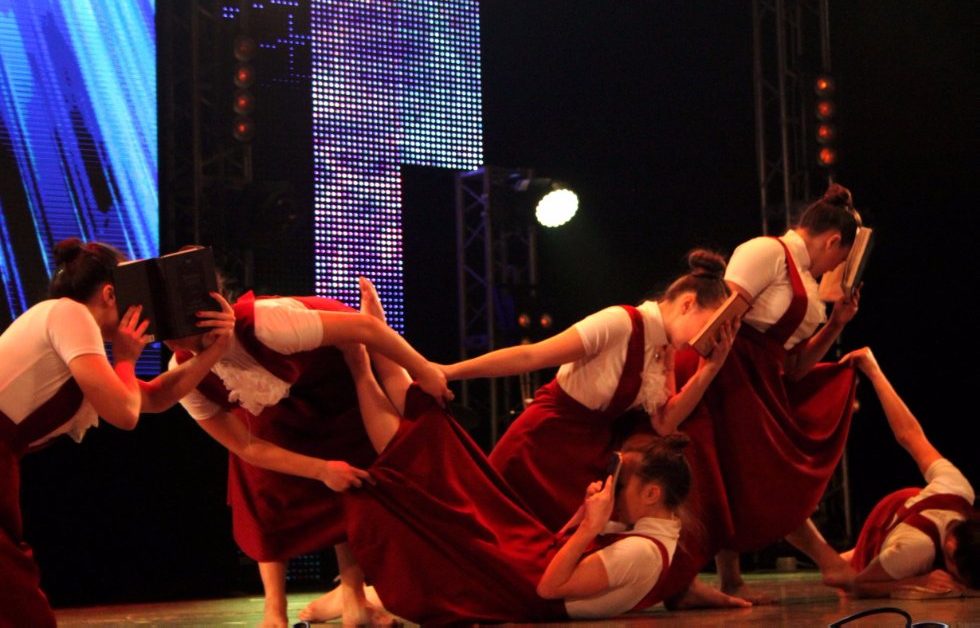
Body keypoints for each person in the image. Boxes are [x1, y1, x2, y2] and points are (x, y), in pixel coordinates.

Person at [334, 280, 698, 623]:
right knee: (437, 455)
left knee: (430, 471)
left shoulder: (644, 552)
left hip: (523, 575)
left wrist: (589, 526)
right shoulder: (649, 539)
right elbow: (530, 355)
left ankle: (364, 358)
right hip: (539, 476)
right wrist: (586, 517)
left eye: (621, 485)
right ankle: (373, 348)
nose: (614, 491)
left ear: (652, 494)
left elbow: (549, 588)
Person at [147, 280, 451, 628]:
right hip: (271, 401)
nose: (167, 340)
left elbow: (367, 328)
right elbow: (246, 446)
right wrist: (320, 469)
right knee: (263, 488)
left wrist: (424, 370)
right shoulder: (183, 375)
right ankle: (274, 611)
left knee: (353, 481)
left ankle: (354, 598)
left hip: (333, 372)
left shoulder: (266, 323)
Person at [0, 238, 232, 628]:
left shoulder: (69, 326)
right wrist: (125, 358)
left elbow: (151, 398)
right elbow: (124, 414)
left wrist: (213, 352)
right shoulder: (69, 314)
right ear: (111, 293)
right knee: (16, 600)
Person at [657, 183, 863, 607]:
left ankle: (731, 580)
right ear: (832, 241)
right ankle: (827, 562)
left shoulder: (808, 282)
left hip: (757, 378)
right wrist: (701, 372)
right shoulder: (766, 251)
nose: (837, 268)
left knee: (732, 476)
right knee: (752, 473)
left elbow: (794, 367)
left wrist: (836, 324)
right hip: (722, 369)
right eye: (842, 258)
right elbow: (718, 316)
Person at [439, 249, 737, 533]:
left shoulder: (664, 348)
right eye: (709, 324)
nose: (709, 337)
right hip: (541, 444)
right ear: (687, 304)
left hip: (586, 457)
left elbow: (664, 423)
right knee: (495, 532)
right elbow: (531, 356)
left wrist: (709, 369)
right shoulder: (619, 322)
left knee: (565, 551)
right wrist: (450, 371)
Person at [790, 347, 978, 597]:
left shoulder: (958, 489)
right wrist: (918, 581)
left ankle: (852, 555)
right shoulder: (915, 547)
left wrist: (873, 370)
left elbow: (911, 435)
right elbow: (860, 585)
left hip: (908, 508)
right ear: (951, 550)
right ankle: (855, 557)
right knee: (884, 566)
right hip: (893, 525)